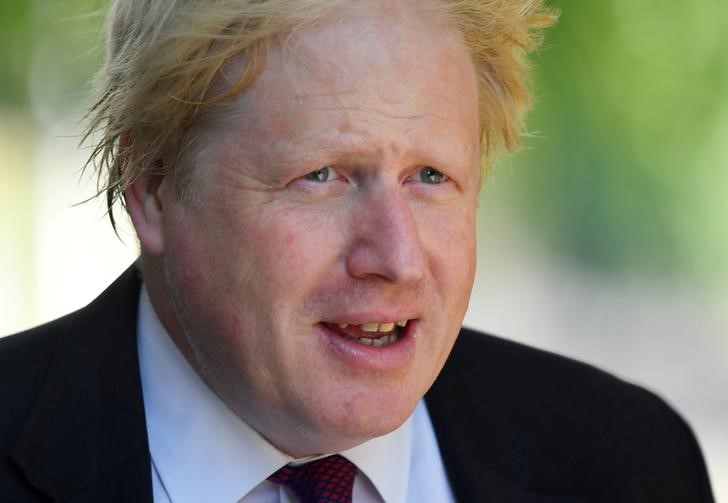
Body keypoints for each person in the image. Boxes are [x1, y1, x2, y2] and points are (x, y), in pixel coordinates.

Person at [0, 0, 714, 501]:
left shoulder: (633, 462)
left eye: (431, 176)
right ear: (151, 186)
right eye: (323, 176)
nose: (397, 258)